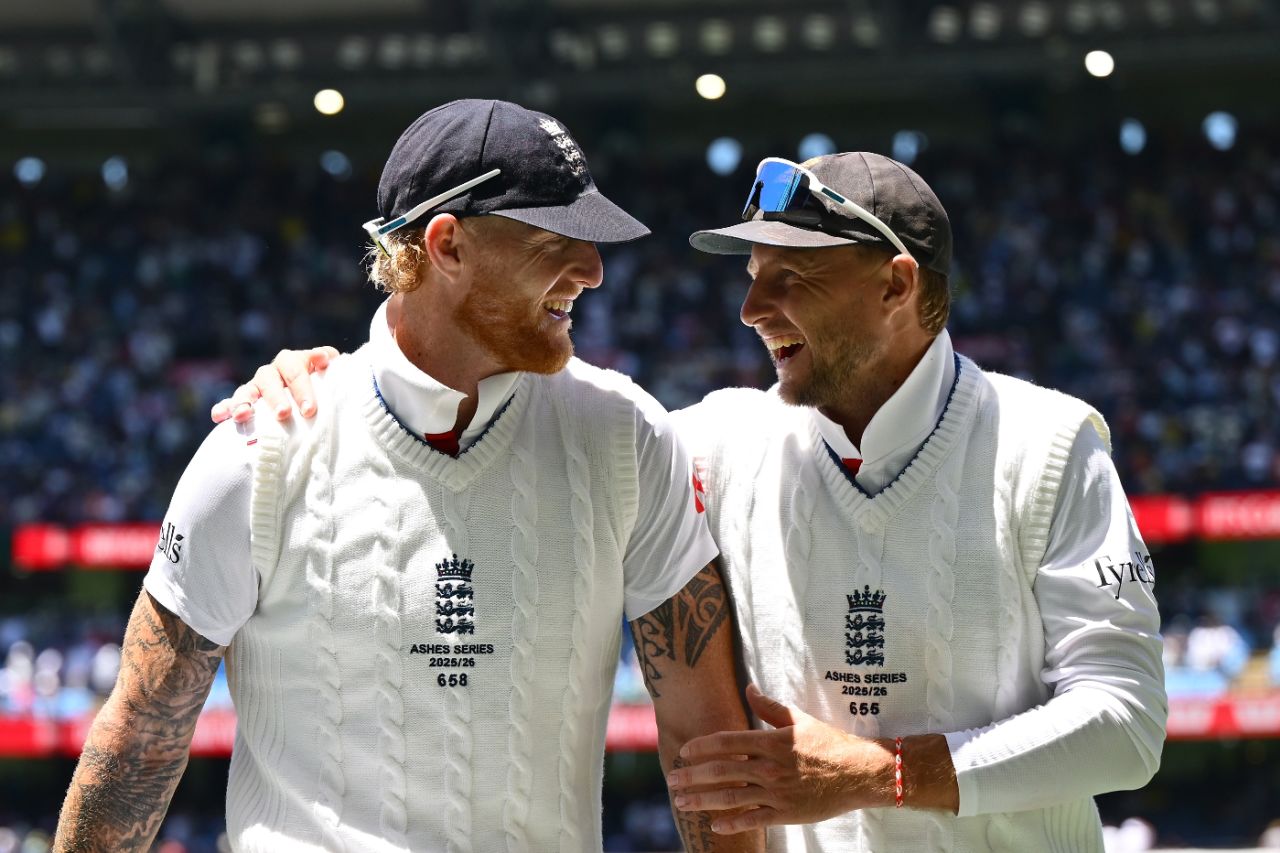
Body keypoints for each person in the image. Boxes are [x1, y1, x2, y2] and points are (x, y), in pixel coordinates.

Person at [215, 151, 1168, 851]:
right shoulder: (708, 440)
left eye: (792, 278)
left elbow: (1126, 724)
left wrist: (885, 771)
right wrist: (335, 376)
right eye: (751, 279)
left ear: (897, 284)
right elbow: (490, 399)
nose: (753, 310)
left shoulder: (1052, 443)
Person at [53, 99, 762, 853]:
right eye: (557, 239)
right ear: (448, 245)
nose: (591, 271)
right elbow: (139, 741)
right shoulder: (261, 449)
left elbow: (705, 740)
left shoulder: (628, 435)